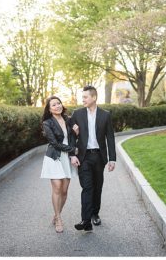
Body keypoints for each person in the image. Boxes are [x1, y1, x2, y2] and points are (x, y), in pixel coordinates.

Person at [70, 85, 117, 232]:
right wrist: (72, 154)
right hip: (83, 157)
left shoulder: (105, 115)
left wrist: (112, 158)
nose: (82, 99)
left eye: (85, 97)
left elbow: (110, 137)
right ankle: (86, 220)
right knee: (87, 187)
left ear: (94, 97)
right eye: (82, 97)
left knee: (97, 187)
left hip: (99, 156)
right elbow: (71, 135)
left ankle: (95, 214)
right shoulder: (77, 114)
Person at [39, 96, 80, 233]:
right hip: (55, 156)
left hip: (67, 157)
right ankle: (58, 218)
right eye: (54, 105)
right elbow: (55, 143)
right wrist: (73, 150)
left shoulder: (68, 120)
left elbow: (73, 138)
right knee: (57, 187)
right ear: (49, 109)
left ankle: (56, 214)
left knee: (64, 191)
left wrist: (76, 133)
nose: (57, 106)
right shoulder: (47, 123)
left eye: (59, 103)